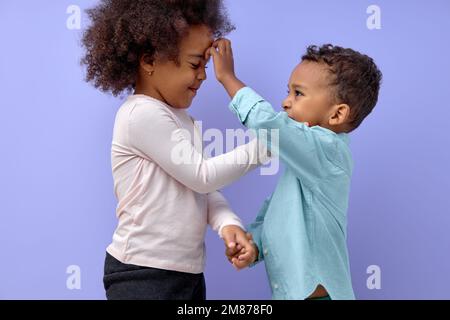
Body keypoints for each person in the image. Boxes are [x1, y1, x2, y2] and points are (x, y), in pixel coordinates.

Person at [81, 0, 267, 300]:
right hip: (142, 273)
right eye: (195, 64)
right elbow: (203, 176)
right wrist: (269, 144)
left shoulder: (180, 119)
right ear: (149, 60)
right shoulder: (140, 114)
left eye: (206, 66)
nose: (204, 75)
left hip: (186, 273)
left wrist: (227, 224)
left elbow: (199, 190)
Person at [210, 39, 382, 300]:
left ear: (337, 115)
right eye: (288, 92)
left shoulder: (328, 152)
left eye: (298, 94)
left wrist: (228, 78)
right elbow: (277, 219)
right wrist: (253, 245)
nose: (286, 102)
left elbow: (269, 125)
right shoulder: (304, 167)